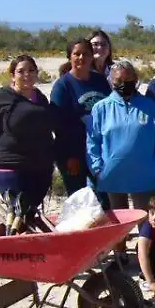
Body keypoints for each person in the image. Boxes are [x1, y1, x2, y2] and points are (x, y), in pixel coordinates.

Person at [0, 55, 56, 228]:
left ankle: (27, 250)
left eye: (31, 70)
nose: (27, 75)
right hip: (8, 166)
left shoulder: (40, 97)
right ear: (12, 75)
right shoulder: (0, 97)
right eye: (21, 71)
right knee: (17, 210)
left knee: (29, 213)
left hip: (39, 168)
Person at [87, 60, 155, 210]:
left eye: (128, 80)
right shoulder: (101, 108)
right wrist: (97, 169)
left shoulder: (149, 106)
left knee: (145, 219)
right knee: (118, 222)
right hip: (112, 175)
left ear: (136, 79)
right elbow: (93, 141)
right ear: (111, 81)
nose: (124, 84)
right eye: (119, 80)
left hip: (145, 175)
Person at [49, 39, 111, 194]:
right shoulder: (62, 86)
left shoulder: (100, 81)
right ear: (70, 57)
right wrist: (71, 155)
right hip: (73, 153)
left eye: (86, 54)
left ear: (92, 57)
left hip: (99, 151)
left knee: (105, 198)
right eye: (76, 54)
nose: (81, 58)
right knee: (79, 199)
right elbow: (59, 124)